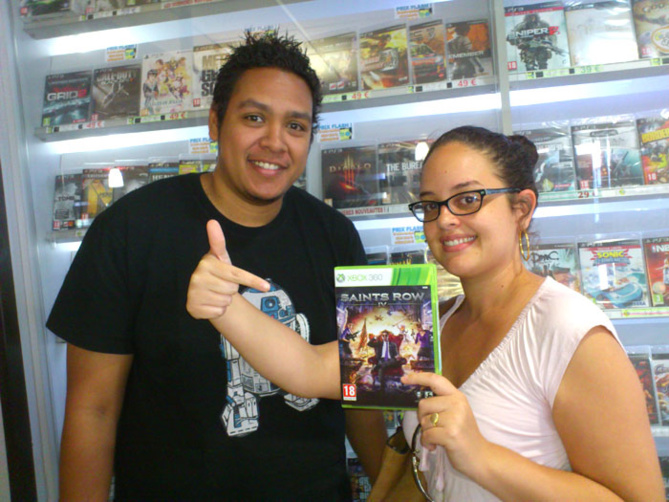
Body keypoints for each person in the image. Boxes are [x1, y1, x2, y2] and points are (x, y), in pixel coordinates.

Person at [187, 125, 665, 501]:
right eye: (431, 205)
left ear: (521, 208)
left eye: (468, 199)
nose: (446, 220)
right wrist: (225, 305)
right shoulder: (426, 319)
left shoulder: (569, 332)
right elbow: (308, 368)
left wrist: (481, 457)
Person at [48, 32, 387, 501]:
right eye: (254, 118)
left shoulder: (336, 235)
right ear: (215, 123)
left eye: (295, 125)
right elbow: (93, 409)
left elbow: (362, 396)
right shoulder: (128, 230)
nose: (275, 142)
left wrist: (393, 488)